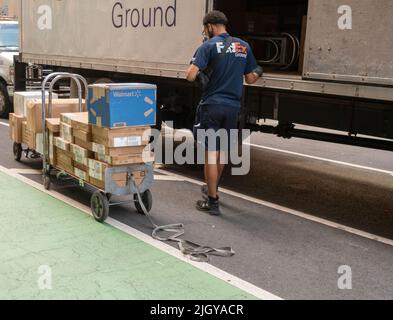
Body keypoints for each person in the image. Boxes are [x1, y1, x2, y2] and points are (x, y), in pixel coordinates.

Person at [186, 10, 262, 216]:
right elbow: (251, 78)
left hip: (212, 106)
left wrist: (204, 75)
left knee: (211, 153)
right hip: (232, 108)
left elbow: (190, 75)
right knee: (222, 152)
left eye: (205, 28)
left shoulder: (208, 46)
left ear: (210, 26)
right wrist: (259, 70)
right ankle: (214, 190)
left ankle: (212, 202)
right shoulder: (242, 46)